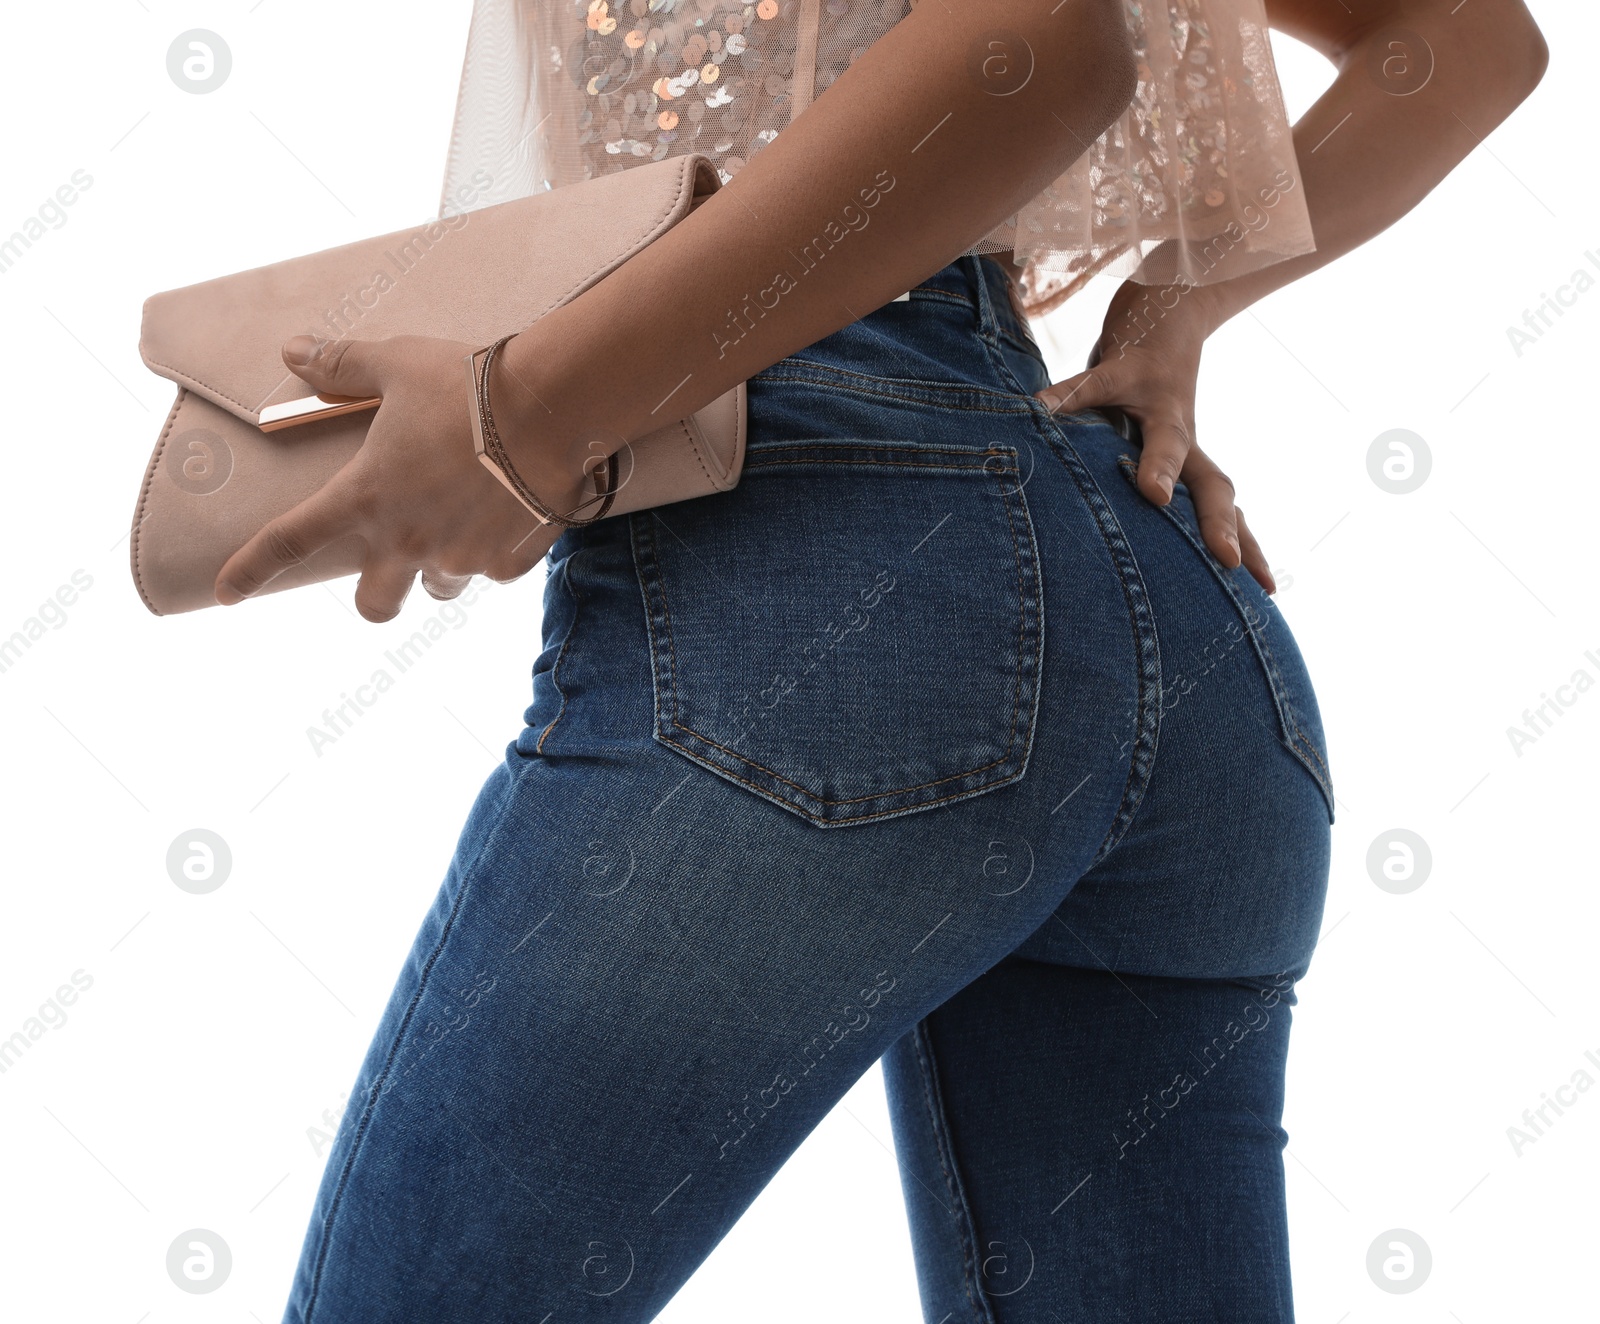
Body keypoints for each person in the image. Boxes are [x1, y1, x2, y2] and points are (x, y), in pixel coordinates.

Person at [233, 0, 1547, 1318]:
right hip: (1168, 596)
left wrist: (519, 417)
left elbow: (1039, 40)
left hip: (822, 567)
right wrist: (1169, 308)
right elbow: (1466, 41)